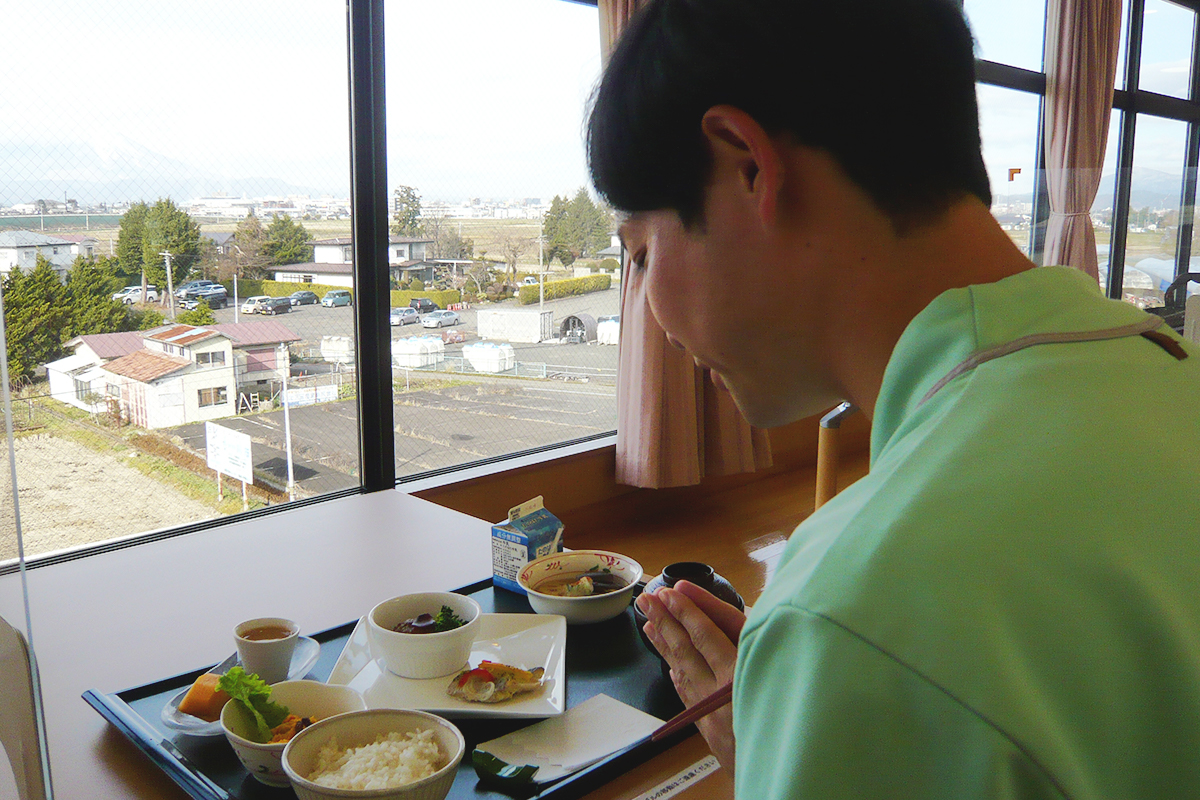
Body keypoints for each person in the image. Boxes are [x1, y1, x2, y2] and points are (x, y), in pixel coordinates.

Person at [586, 0, 1200, 798]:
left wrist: (834, 688)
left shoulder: (856, 617)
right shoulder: (1167, 367)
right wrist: (800, 736)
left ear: (745, 164)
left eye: (638, 252)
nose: (651, 313)